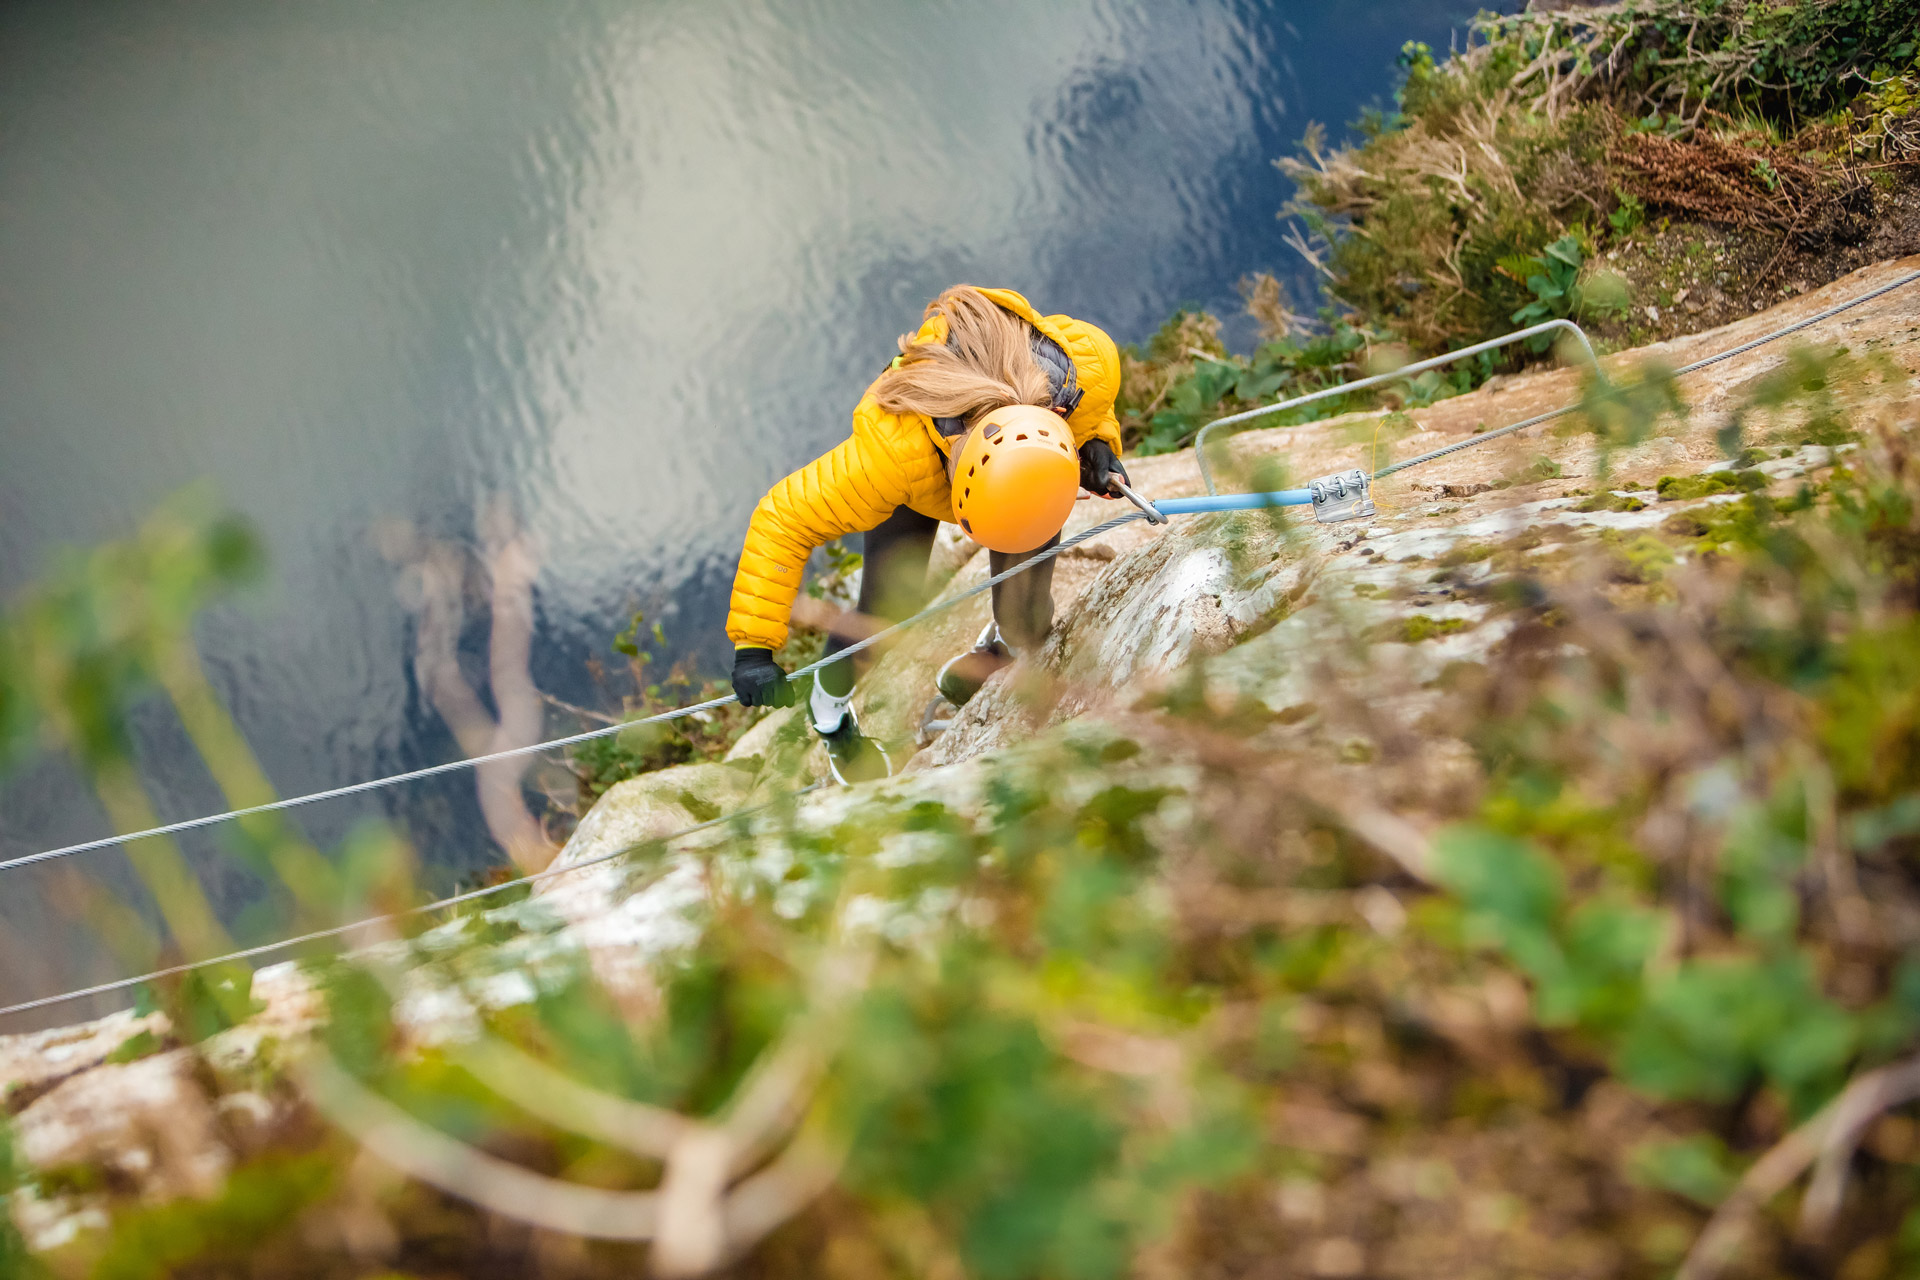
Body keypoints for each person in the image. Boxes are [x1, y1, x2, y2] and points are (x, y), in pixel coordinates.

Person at [725, 285, 1131, 782]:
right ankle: (829, 716)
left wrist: (1094, 445)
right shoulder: (890, 456)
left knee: (1026, 614)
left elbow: (1095, 415)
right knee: (885, 616)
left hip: (1032, 474)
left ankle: (1004, 642)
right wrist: (754, 649)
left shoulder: (1086, 370)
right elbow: (783, 516)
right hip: (915, 479)